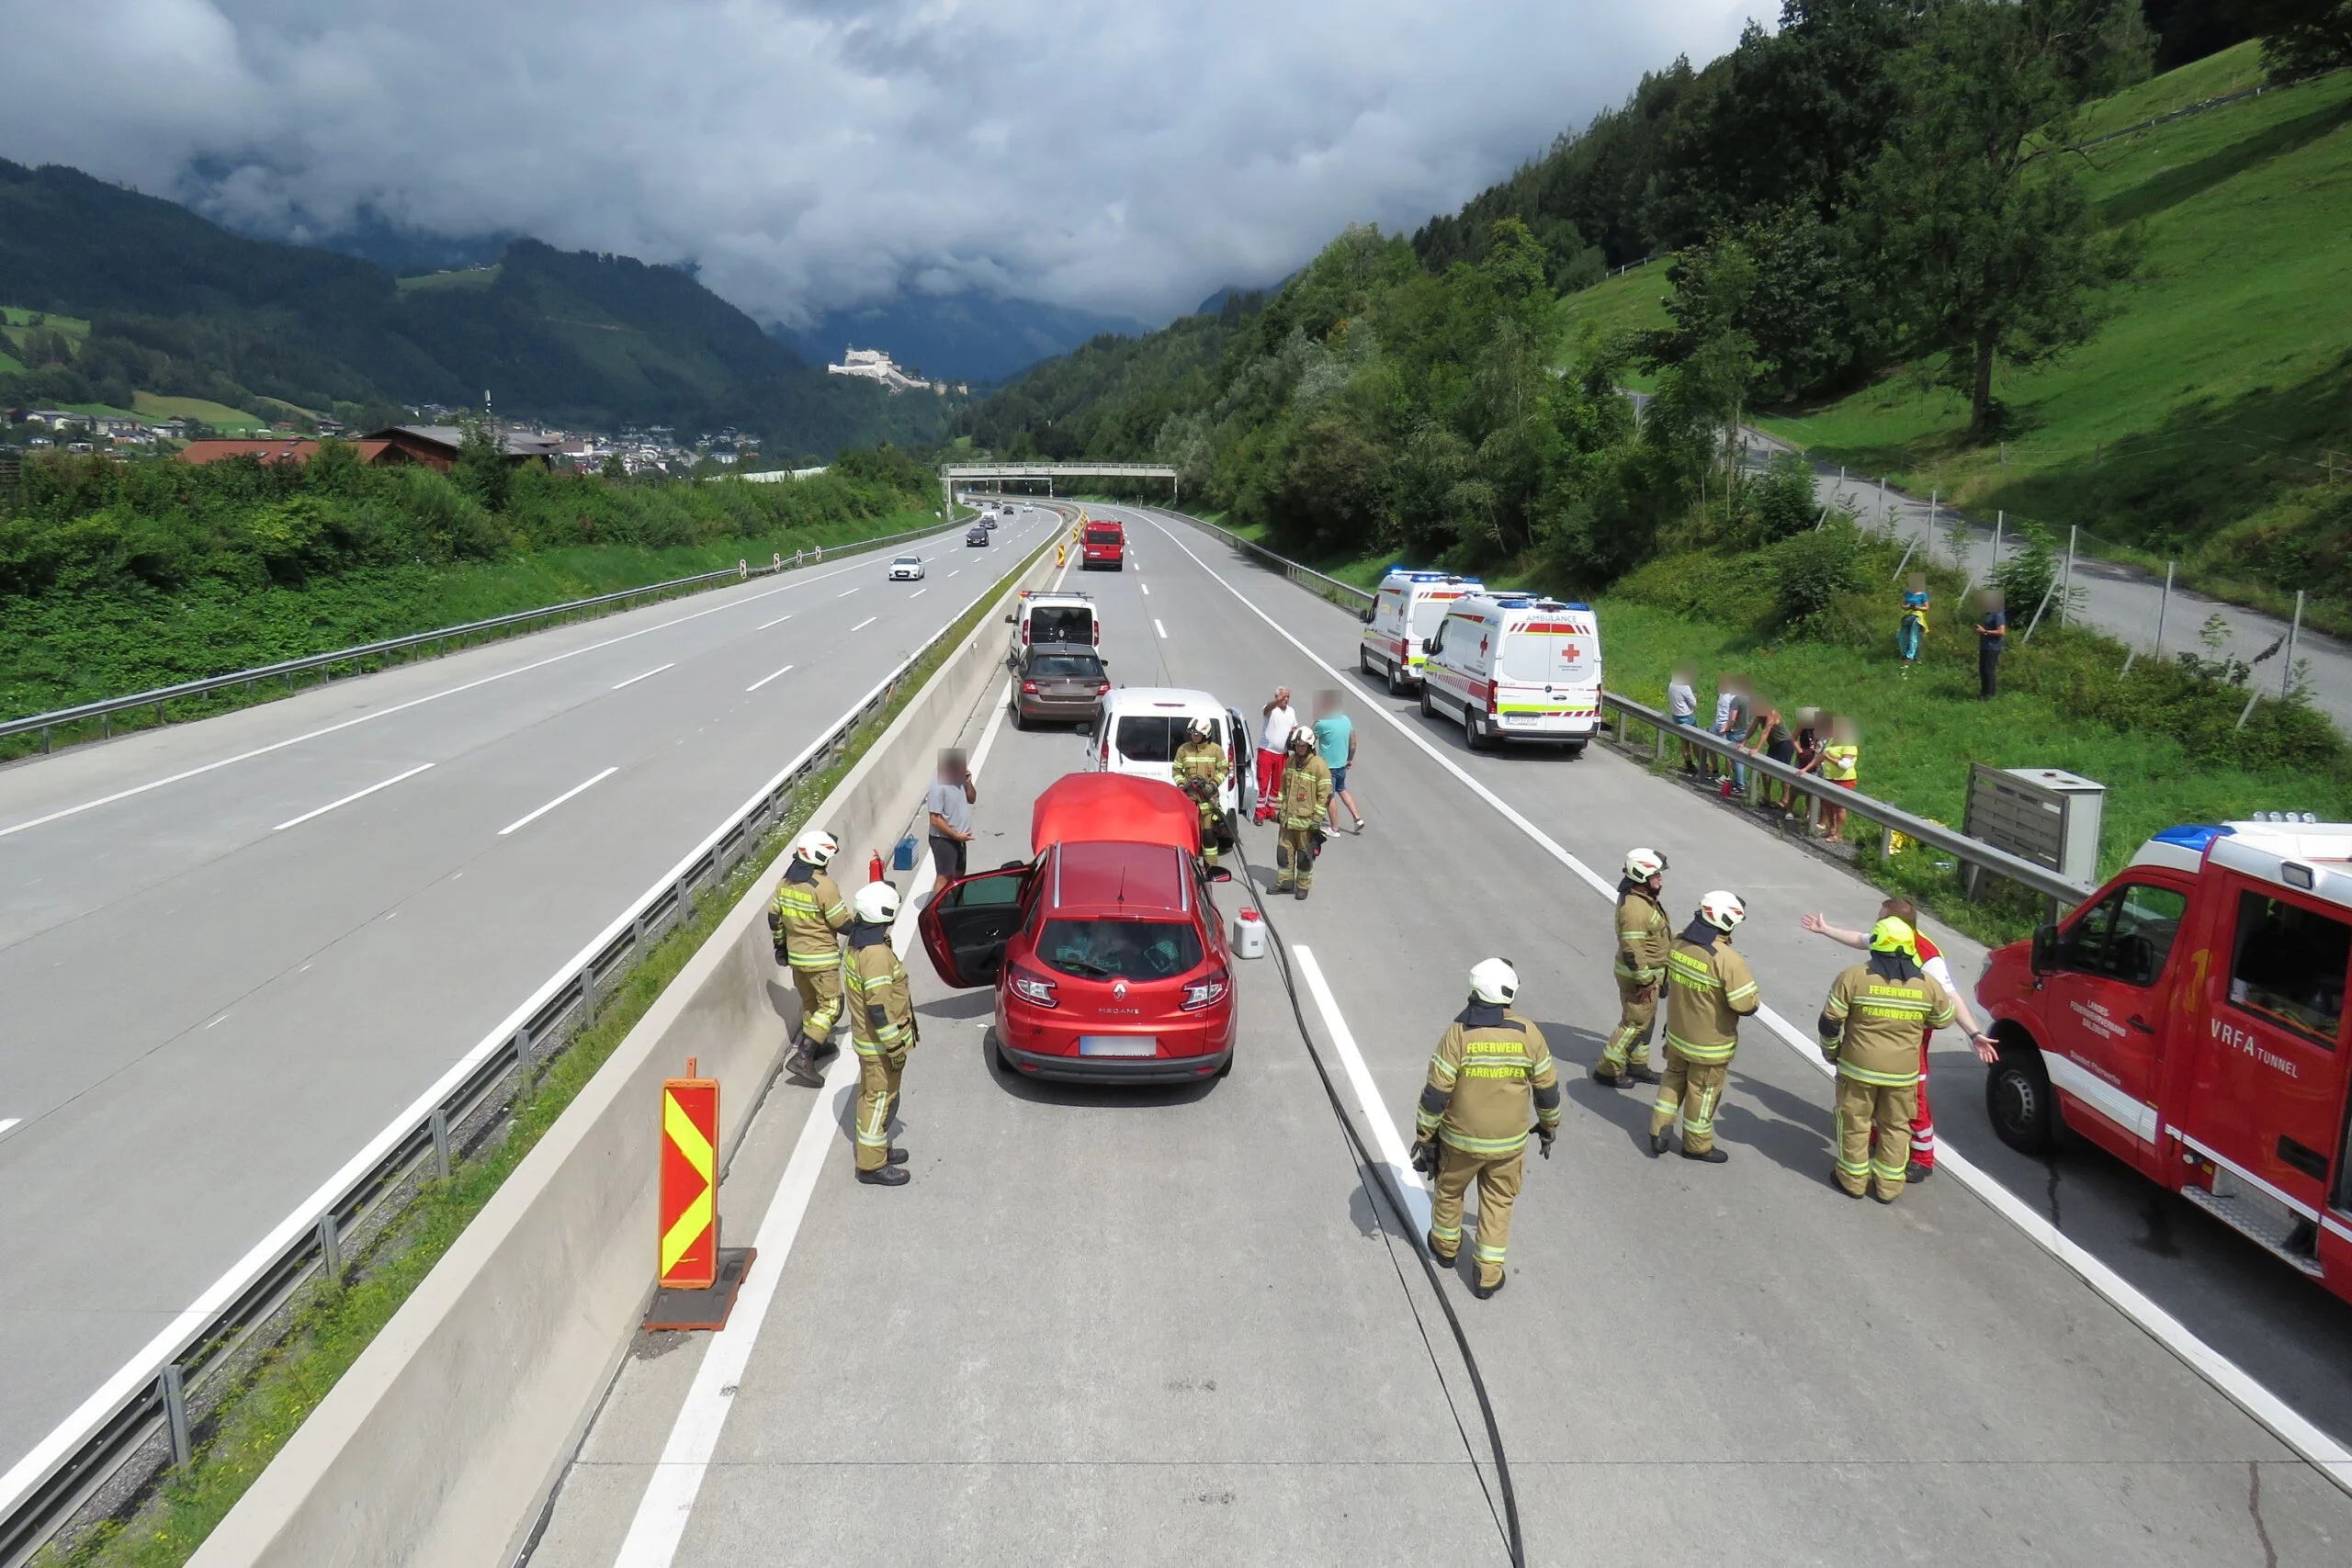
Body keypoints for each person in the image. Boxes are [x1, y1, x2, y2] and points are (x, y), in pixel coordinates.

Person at [1802, 899, 2000, 1181]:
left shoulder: (1926, 955)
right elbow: (1861, 940)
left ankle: (1921, 1156)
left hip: (1910, 1037)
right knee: (1871, 1091)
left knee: (1912, 1097)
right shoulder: (1889, 937)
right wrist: (1826, 930)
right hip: (1882, 1029)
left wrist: (1974, 1033)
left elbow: (1950, 997)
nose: (1876, 925)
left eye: (1880, 919)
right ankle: (1874, 1135)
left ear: (1900, 926)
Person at [1410, 958, 1561, 1300]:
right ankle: (1488, 1276)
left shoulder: (1458, 1034)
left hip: (1460, 1142)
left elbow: (1435, 1095)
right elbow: (1548, 1092)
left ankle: (1446, 1250)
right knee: (1497, 1203)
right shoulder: (1528, 1034)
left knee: (1449, 1193)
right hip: (1508, 1146)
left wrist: (1425, 1136)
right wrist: (1549, 1127)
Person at [1816, 918, 1958, 1202]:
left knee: (1855, 1122)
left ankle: (1852, 1180)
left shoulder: (1853, 977)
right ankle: (1888, 1187)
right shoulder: (1927, 985)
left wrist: (1831, 1053)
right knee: (1896, 1127)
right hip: (1903, 1074)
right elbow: (1944, 1018)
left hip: (1858, 1069)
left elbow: (1830, 1023)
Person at [1650, 890, 1758, 1164]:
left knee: (1672, 1079)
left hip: (1677, 1034)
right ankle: (1696, 1145)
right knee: (1703, 1091)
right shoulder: (1727, 959)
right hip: (1709, 1045)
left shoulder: (1678, 942)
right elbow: (1746, 1004)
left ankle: (1658, 1132)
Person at [844, 881, 918, 1186]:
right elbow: (878, 1009)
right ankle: (871, 1166)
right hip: (880, 1046)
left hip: (869, 1042)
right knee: (879, 1101)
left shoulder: (860, 941)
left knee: (877, 1097)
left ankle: (879, 1150)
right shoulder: (875, 954)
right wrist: (895, 1048)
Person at [769, 828, 852, 1086]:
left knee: (811, 1004)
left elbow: (775, 919)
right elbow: (840, 922)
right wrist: (863, 928)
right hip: (821, 959)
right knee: (832, 1005)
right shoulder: (823, 886)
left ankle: (818, 1044)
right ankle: (804, 1056)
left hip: (797, 958)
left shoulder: (784, 883)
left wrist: (781, 948)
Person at [1595, 848, 1671, 1088]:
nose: (1660, 879)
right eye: (1656, 875)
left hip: (1650, 975)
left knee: (1646, 1023)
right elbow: (1632, 949)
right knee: (1634, 1023)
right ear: (1641, 876)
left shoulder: (1642, 900)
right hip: (1640, 979)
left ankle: (1638, 1066)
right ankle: (1607, 1070)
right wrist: (1646, 981)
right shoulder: (1635, 909)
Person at [1272, 728, 1331, 899]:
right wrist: (1278, 809)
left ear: (1310, 746)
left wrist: (1317, 820)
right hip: (1287, 821)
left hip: (1306, 824)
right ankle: (1285, 883)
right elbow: (1282, 788)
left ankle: (1303, 886)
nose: (1299, 748)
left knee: (1304, 858)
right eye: (1297, 745)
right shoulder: (1290, 761)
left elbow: (1325, 795)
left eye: (1303, 746)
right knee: (1283, 854)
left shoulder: (1319, 766)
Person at [1172, 718, 1229, 868]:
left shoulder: (1216, 750)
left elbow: (1224, 769)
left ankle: (1211, 867)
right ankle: (1189, 867)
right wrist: (1181, 784)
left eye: (1197, 734)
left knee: (1208, 836)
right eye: (1192, 734)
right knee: (1188, 835)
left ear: (1206, 734)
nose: (1194, 737)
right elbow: (1177, 770)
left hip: (1208, 803)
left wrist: (1213, 784)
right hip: (1189, 802)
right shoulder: (1183, 750)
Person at [926, 750, 977, 898]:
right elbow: (935, 819)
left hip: (960, 838)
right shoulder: (938, 786)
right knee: (944, 876)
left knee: (960, 873)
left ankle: (954, 903)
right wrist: (956, 836)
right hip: (944, 839)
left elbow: (972, 799)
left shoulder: (961, 780)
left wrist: (968, 783)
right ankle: (937, 909)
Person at [1312, 691, 1364, 832]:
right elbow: (1353, 743)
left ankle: (1334, 828)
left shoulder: (1322, 723)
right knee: (1342, 789)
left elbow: (1310, 739)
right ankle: (1357, 818)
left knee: (1329, 796)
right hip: (1342, 764)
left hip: (1328, 767)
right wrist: (1349, 759)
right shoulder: (1346, 720)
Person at [1737, 699, 1794, 809]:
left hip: (1784, 744)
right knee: (1765, 771)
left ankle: (1785, 800)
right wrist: (1743, 742)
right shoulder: (1760, 715)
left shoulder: (1772, 714)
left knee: (1783, 773)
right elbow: (1752, 728)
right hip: (1773, 745)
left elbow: (1765, 732)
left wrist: (1757, 748)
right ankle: (1767, 796)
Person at [1257, 687, 1298, 824]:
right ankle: (1259, 813)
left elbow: (1293, 727)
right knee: (1263, 782)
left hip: (1282, 754)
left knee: (1277, 784)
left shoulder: (1291, 711)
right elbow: (1266, 710)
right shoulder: (1271, 709)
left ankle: (1270, 810)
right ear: (1277, 697)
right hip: (1267, 751)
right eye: (1283, 697)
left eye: (1288, 697)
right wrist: (1276, 701)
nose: (1286, 699)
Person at [1819, 715, 1860, 840]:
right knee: (1827, 804)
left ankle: (1839, 833)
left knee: (1839, 807)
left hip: (1844, 780)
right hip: (1830, 777)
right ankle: (1832, 829)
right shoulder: (1832, 741)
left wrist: (1828, 758)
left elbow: (1845, 765)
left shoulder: (1849, 745)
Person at [1973, 589, 2007, 698]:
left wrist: (1985, 632)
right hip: (1985, 645)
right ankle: (1984, 692)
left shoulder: (1998, 614)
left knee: (1988, 670)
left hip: (1992, 647)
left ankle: (1990, 694)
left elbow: (2001, 631)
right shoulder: (1989, 613)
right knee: (1983, 670)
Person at [1667, 666, 1701, 773]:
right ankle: (1703, 765)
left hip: (1676, 716)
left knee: (1684, 742)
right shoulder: (1685, 687)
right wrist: (1695, 697)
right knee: (1696, 742)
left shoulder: (1672, 684)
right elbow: (1693, 703)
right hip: (1687, 717)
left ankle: (1689, 764)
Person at [1898, 572, 1930, 670]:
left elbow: (1927, 608)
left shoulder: (1923, 595)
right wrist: (1908, 607)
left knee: (1913, 637)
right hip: (1907, 616)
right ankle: (1906, 653)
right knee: (1900, 636)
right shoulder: (1907, 593)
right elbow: (1902, 605)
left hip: (1917, 617)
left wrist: (1917, 607)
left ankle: (1909, 657)